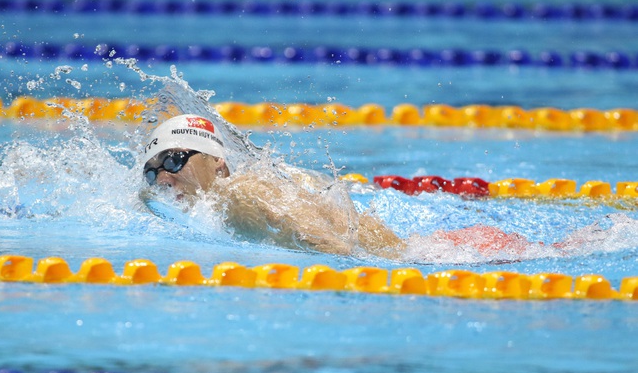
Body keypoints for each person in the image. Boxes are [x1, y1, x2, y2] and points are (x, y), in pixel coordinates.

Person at [139, 113, 546, 260]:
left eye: (175, 159)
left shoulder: (238, 195)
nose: (165, 176)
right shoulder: (224, 199)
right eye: (153, 171)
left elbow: (334, 246)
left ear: (218, 164)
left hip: (426, 259)